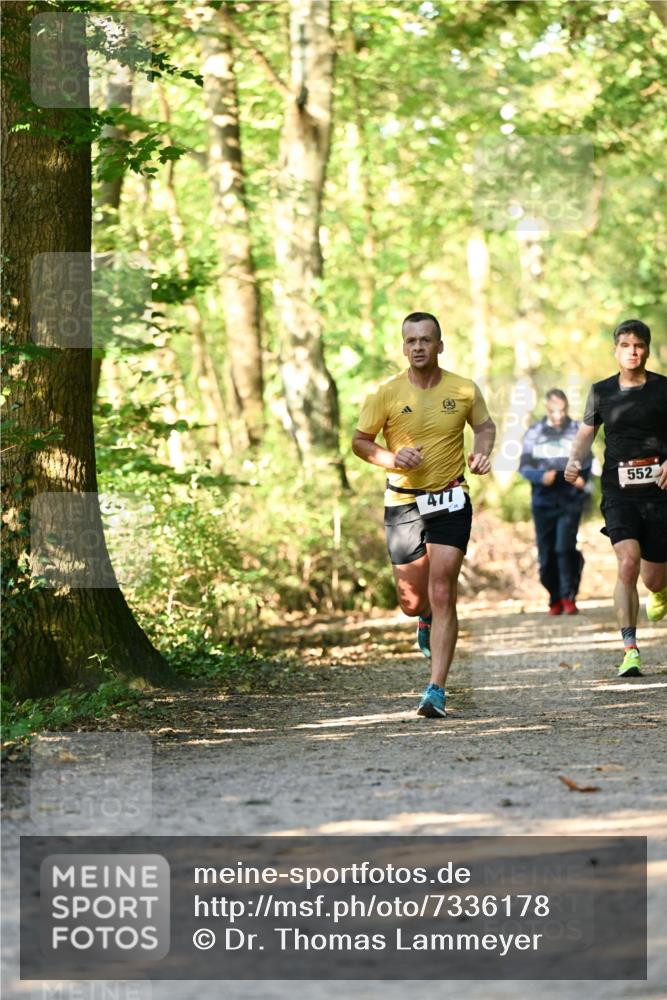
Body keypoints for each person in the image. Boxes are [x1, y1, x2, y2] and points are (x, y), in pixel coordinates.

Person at [352, 312, 496, 718]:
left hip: (451, 497)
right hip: (403, 500)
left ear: (439, 345)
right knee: (413, 601)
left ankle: (436, 689)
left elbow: (485, 426)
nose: (418, 346)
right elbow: (360, 442)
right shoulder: (386, 393)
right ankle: (425, 617)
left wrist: (482, 451)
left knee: (443, 587)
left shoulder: (463, 389)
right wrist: (392, 458)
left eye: (426, 340)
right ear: (404, 347)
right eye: (411, 340)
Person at [565, 319, 667, 677]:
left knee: (654, 579)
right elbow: (586, 433)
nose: (632, 351)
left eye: (638, 345)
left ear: (647, 350)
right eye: (625, 345)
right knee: (627, 563)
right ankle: (630, 649)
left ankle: (660, 591)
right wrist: (574, 461)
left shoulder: (663, 389)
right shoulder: (601, 391)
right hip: (618, 492)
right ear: (616, 350)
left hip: (659, 492)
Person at [519, 389, 591, 615]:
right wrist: (541, 477)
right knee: (546, 554)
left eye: (562, 410)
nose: (558, 415)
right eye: (553, 411)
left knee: (564, 548)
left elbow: (588, 460)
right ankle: (554, 597)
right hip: (543, 503)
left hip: (570, 501)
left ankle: (568, 596)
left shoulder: (577, 430)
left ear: (567, 408)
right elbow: (524, 466)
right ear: (546, 409)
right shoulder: (535, 432)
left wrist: (582, 477)